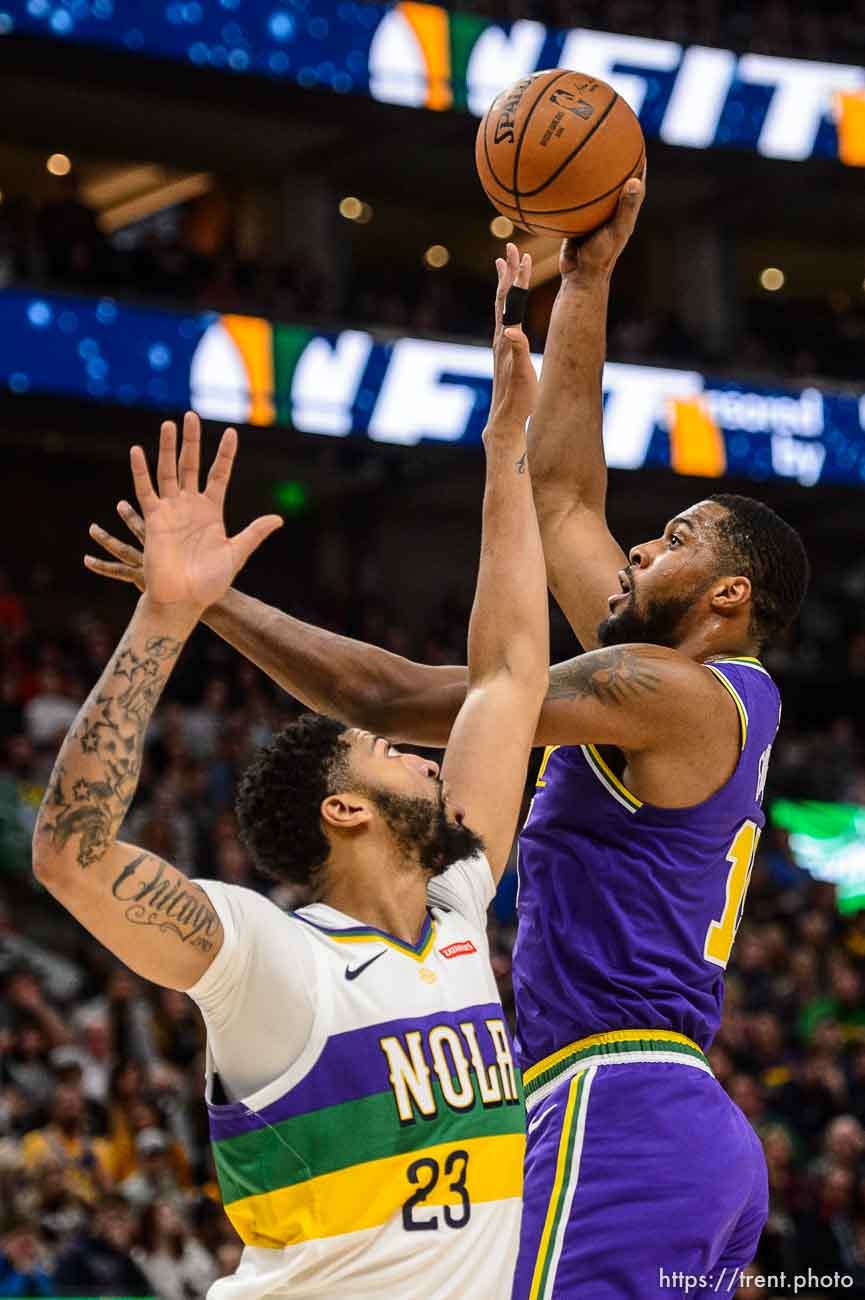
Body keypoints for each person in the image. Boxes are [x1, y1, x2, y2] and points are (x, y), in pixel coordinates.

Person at [89, 190, 810, 1296]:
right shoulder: (673, 690)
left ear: (725, 593)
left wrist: (210, 604)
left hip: (609, 1103)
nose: (637, 548)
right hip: (663, 1119)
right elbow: (563, 497)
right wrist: (587, 277)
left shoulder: (671, 689)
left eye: (671, 539)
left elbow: (399, 694)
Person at [35, 249, 548, 1298]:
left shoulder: (455, 905)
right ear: (345, 807)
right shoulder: (273, 957)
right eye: (383, 748)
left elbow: (505, 677)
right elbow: (72, 857)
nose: (416, 749)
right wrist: (166, 613)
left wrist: (505, 451)